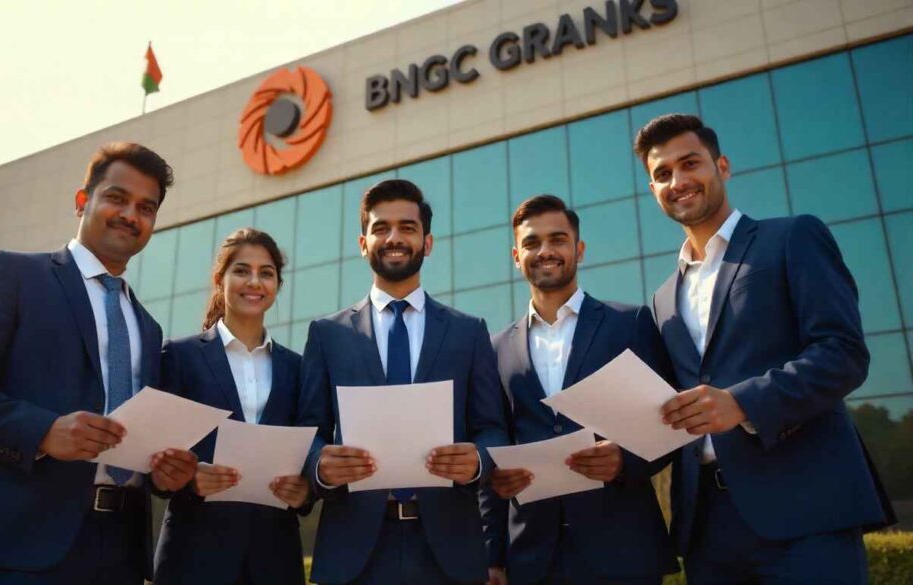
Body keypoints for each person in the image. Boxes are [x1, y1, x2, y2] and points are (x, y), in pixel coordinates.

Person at [0, 143, 198, 585]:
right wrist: (44, 432)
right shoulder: (13, 274)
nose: (130, 215)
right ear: (82, 200)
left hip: (119, 549)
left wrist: (165, 473)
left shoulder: (147, 326)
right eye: (117, 198)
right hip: (16, 541)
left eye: (146, 208)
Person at [635, 114, 894, 583]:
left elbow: (843, 352)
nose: (678, 180)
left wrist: (742, 403)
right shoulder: (661, 299)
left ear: (723, 166)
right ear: (653, 190)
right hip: (708, 529)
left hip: (805, 511)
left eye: (690, 163)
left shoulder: (792, 237)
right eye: (662, 174)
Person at [296, 179, 509, 584]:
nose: (394, 238)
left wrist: (479, 459)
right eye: (381, 228)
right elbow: (309, 432)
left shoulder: (469, 332)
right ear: (363, 243)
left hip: (450, 550)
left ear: (427, 242)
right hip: (353, 550)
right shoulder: (327, 334)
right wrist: (320, 464)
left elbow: (493, 428)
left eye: (407, 228)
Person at [483, 195, 678, 585]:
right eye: (532, 243)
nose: (545, 251)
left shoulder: (632, 323)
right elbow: (491, 440)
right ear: (516, 256)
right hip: (531, 558)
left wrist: (625, 460)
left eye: (557, 239)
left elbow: (670, 423)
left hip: (623, 551)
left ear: (579, 249)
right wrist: (492, 555)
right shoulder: (494, 348)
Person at [152, 228, 310, 584]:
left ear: (277, 286)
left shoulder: (299, 369)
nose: (254, 282)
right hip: (194, 554)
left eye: (266, 273)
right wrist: (189, 477)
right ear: (219, 279)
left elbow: (310, 446)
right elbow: (153, 458)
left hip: (275, 557)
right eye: (241, 270)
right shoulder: (179, 356)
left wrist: (305, 493)